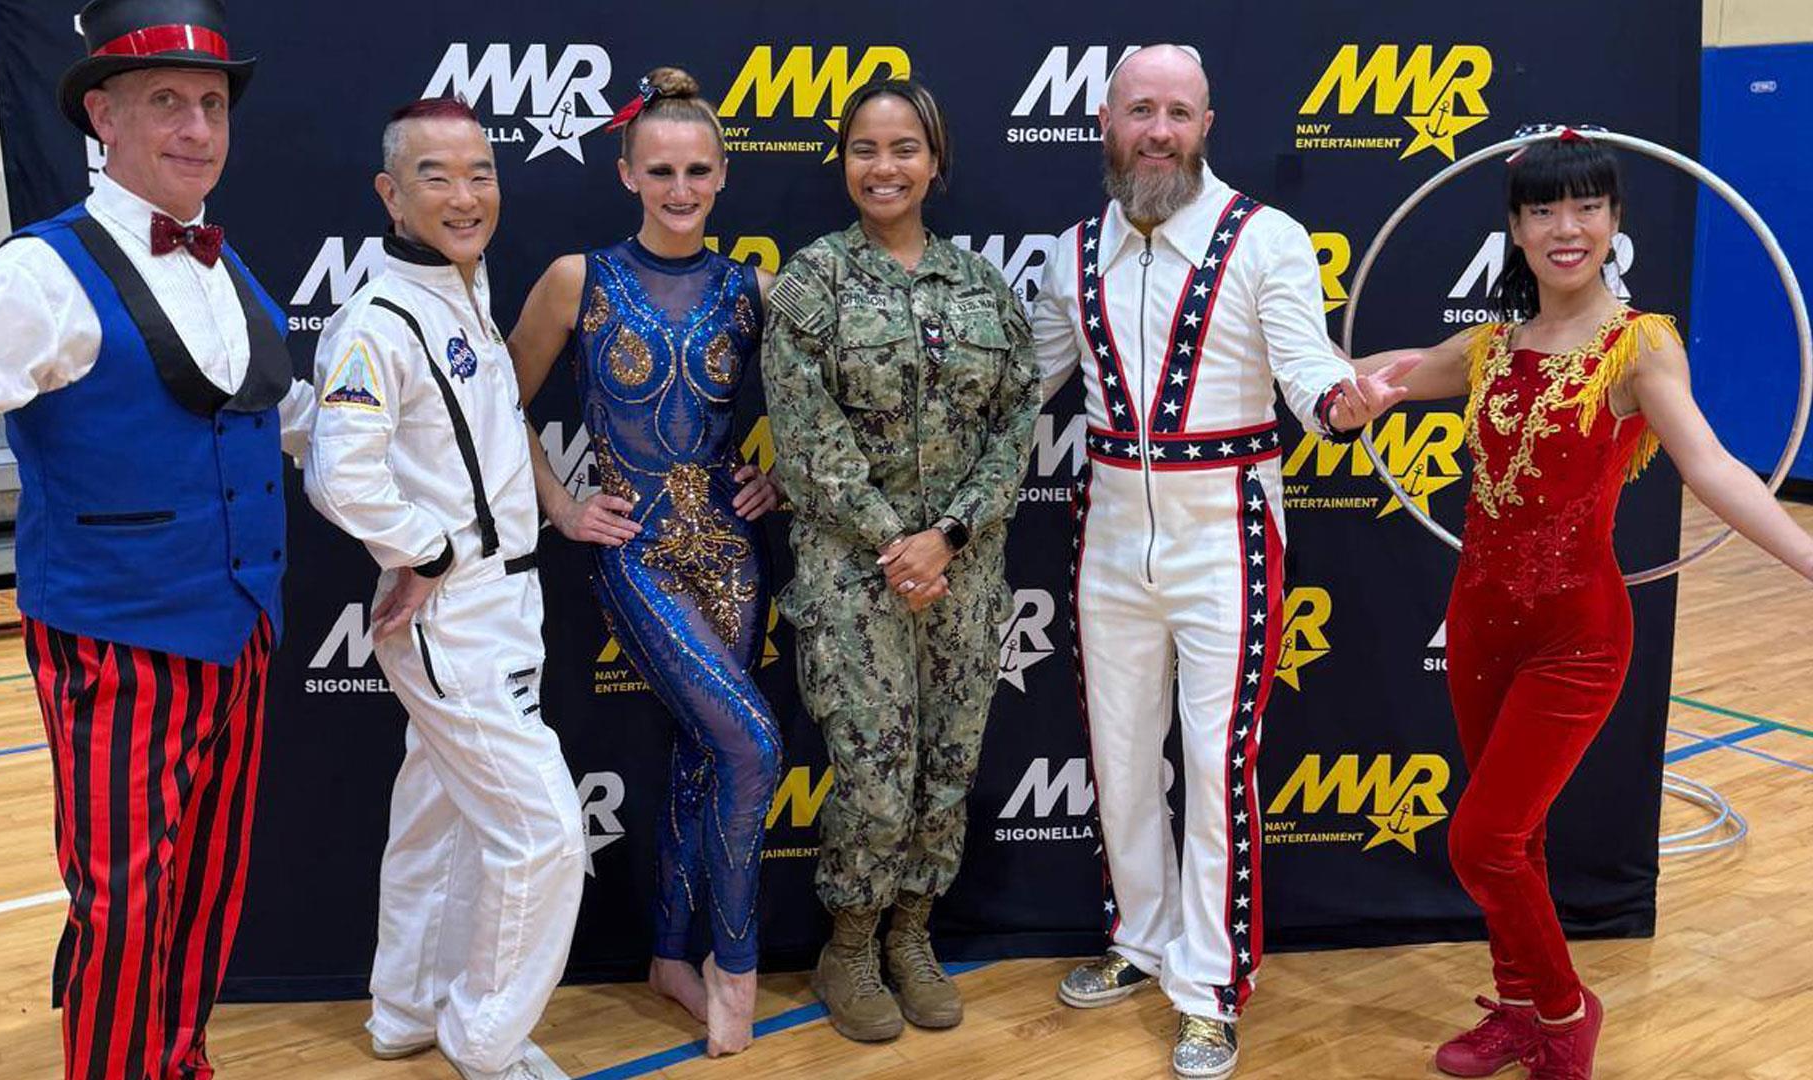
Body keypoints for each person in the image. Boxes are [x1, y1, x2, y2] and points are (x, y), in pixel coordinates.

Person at [0, 2, 316, 1075]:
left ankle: (175, 1057)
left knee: (207, 889)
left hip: (239, 632)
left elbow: (298, 420)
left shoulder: (229, 268)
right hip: (115, 639)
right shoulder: (38, 272)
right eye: (166, 102)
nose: (197, 129)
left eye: (212, 104)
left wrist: (413, 538)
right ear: (101, 118)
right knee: (127, 901)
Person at [1350, 131, 1813, 1080]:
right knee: (1516, 843)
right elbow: (1392, 372)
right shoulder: (1491, 345)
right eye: (1543, 211)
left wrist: (1808, 558)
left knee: (1482, 839)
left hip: (1576, 635)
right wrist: (1345, 389)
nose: (1567, 228)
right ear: (1515, 231)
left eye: (1587, 209)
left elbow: (1713, 465)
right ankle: (1516, 1005)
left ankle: (1563, 1014)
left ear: (1614, 224)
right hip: (1480, 625)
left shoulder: (1638, 347)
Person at [1029, 44, 1412, 1079]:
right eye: (1140, 110)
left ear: (1208, 124)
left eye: (1178, 114)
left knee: (1214, 761)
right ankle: (1138, 941)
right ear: (1105, 121)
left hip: (1226, 529)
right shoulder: (1069, 255)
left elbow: (1307, 368)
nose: (1158, 131)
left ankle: (1207, 986)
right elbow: (1019, 383)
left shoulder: (1264, 238)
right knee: (1115, 751)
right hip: (1108, 527)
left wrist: (1345, 402)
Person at [303, 97, 583, 1080]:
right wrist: (423, 555)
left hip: (501, 601)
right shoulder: (377, 318)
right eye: (436, 176)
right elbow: (340, 472)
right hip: (452, 611)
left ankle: (408, 1014)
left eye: (481, 174)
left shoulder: (462, 283)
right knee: (544, 835)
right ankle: (487, 1043)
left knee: (440, 817)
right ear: (389, 191)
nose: (466, 197)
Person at [505, 67, 780, 1057]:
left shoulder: (754, 288)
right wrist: (563, 507)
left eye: (698, 170)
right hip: (637, 554)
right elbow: (501, 399)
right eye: (660, 169)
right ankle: (736, 968)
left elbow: (823, 406)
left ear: (721, 176)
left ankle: (669, 954)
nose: (680, 188)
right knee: (750, 746)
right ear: (626, 171)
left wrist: (780, 472)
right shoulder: (580, 278)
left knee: (705, 764)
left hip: (734, 558)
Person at [761, 77, 1042, 1043]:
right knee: (874, 773)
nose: (884, 169)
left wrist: (949, 537)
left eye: (904, 150)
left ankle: (913, 934)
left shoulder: (982, 287)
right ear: (843, 163)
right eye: (865, 151)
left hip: (963, 574)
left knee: (948, 766)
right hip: (852, 574)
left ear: (936, 163)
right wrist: (896, 541)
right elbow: (805, 441)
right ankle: (849, 945)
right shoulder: (810, 284)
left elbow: (1017, 423)